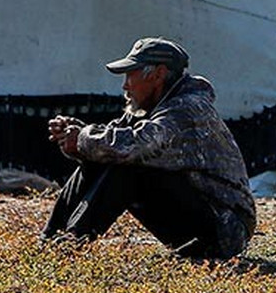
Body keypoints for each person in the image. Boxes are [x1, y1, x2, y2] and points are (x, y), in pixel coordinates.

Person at [42, 36, 255, 259]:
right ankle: (50, 241)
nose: (125, 85)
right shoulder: (154, 107)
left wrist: (84, 138)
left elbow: (136, 145)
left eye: (130, 75)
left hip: (226, 229)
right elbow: (110, 142)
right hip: (204, 219)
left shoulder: (188, 109)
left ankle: (69, 246)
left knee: (128, 162)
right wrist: (77, 140)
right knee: (107, 153)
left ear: (158, 74)